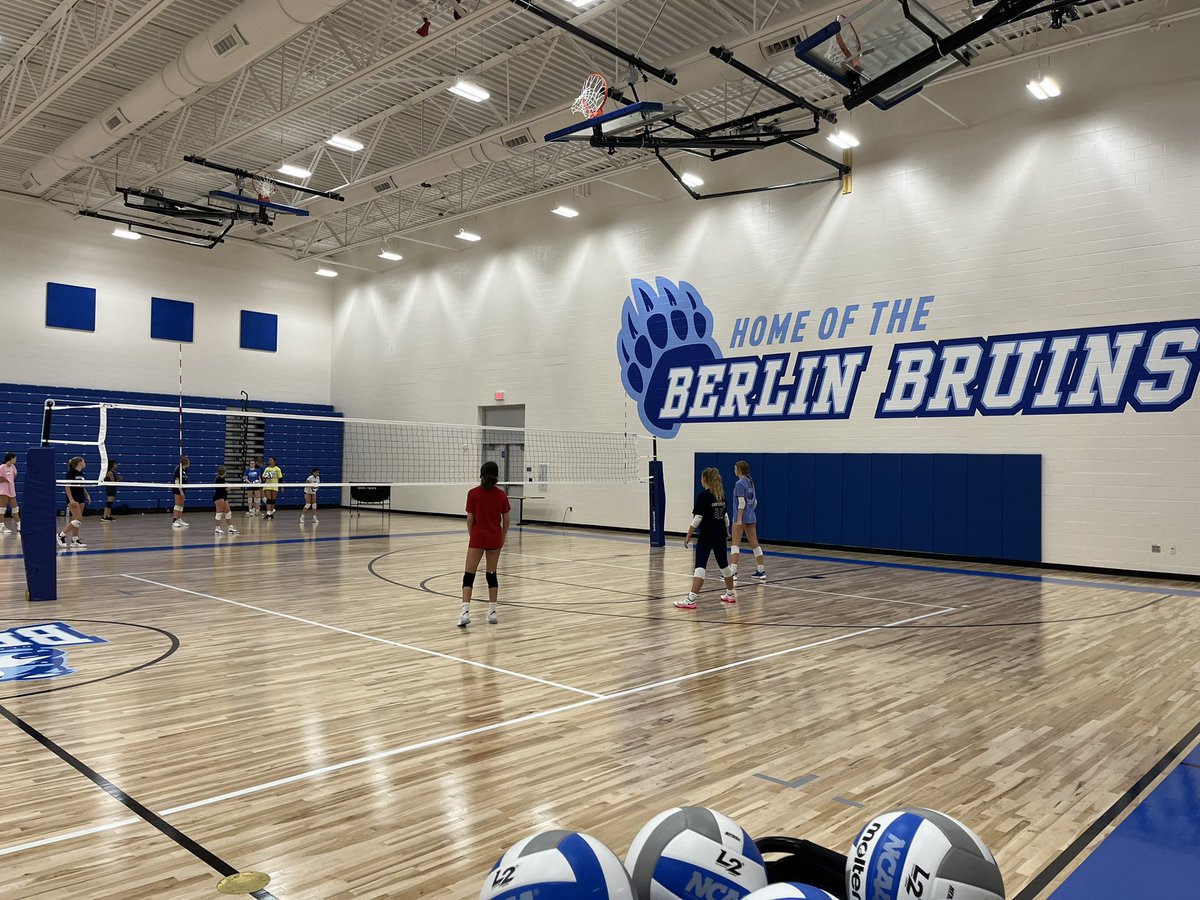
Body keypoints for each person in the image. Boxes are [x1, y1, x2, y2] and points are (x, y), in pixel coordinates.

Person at [675, 466, 737, 610]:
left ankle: (691, 599)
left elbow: (698, 518)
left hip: (707, 534)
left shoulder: (703, 496)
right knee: (724, 564)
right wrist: (727, 532)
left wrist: (688, 536)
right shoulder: (721, 495)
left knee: (700, 565)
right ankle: (730, 594)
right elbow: (725, 517)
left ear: (705, 479)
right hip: (720, 533)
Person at [459, 460, 510, 627]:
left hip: (478, 538)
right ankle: (493, 612)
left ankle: (465, 612)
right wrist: (501, 538)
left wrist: (473, 536)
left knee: (469, 574)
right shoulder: (502, 495)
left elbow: (470, 519)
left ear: (481, 474)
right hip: (495, 538)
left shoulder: (472, 494)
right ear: (496, 476)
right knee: (491, 574)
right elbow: (506, 521)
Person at [730, 460, 766, 582]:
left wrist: (739, 518)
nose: (734, 470)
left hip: (740, 517)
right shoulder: (750, 482)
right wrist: (749, 512)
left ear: (739, 470)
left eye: (735, 468)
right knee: (755, 544)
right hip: (751, 516)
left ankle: (733, 572)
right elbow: (754, 502)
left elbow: (741, 502)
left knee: (735, 544)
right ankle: (761, 570)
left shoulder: (739, 483)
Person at [57, 456, 89, 549]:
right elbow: (67, 487)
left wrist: (86, 494)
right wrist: (71, 499)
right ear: (79, 463)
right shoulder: (70, 473)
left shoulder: (81, 473)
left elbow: (81, 485)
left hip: (81, 498)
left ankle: (75, 540)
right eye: (83, 461)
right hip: (73, 498)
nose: (85, 463)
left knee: (76, 521)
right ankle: (61, 535)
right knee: (78, 519)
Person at [213, 465, 238, 536]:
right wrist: (228, 486)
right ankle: (217, 528)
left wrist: (227, 486)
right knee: (219, 512)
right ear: (224, 472)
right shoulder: (219, 479)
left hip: (224, 497)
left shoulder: (222, 478)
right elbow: (227, 489)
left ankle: (230, 527)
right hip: (219, 498)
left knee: (228, 512)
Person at [0, 452, 20, 535]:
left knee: (15, 508)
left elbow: (14, 475)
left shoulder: (13, 467)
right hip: (3, 490)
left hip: (11, 489)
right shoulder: (1, 467)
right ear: (11, 458)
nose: (16, 460)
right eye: (15, 458)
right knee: (2, 509)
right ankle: (1, 525)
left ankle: (19, 524)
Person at [171, 456, 190, 529]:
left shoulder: (185, 470)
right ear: (185, 463)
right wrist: (180, 490)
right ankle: (175, 520)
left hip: (183, 489)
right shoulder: (178, 470)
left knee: (181, 505)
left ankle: (179, 519)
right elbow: (176, 481)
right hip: (177, 489)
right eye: (188, 462)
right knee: (177, 504)